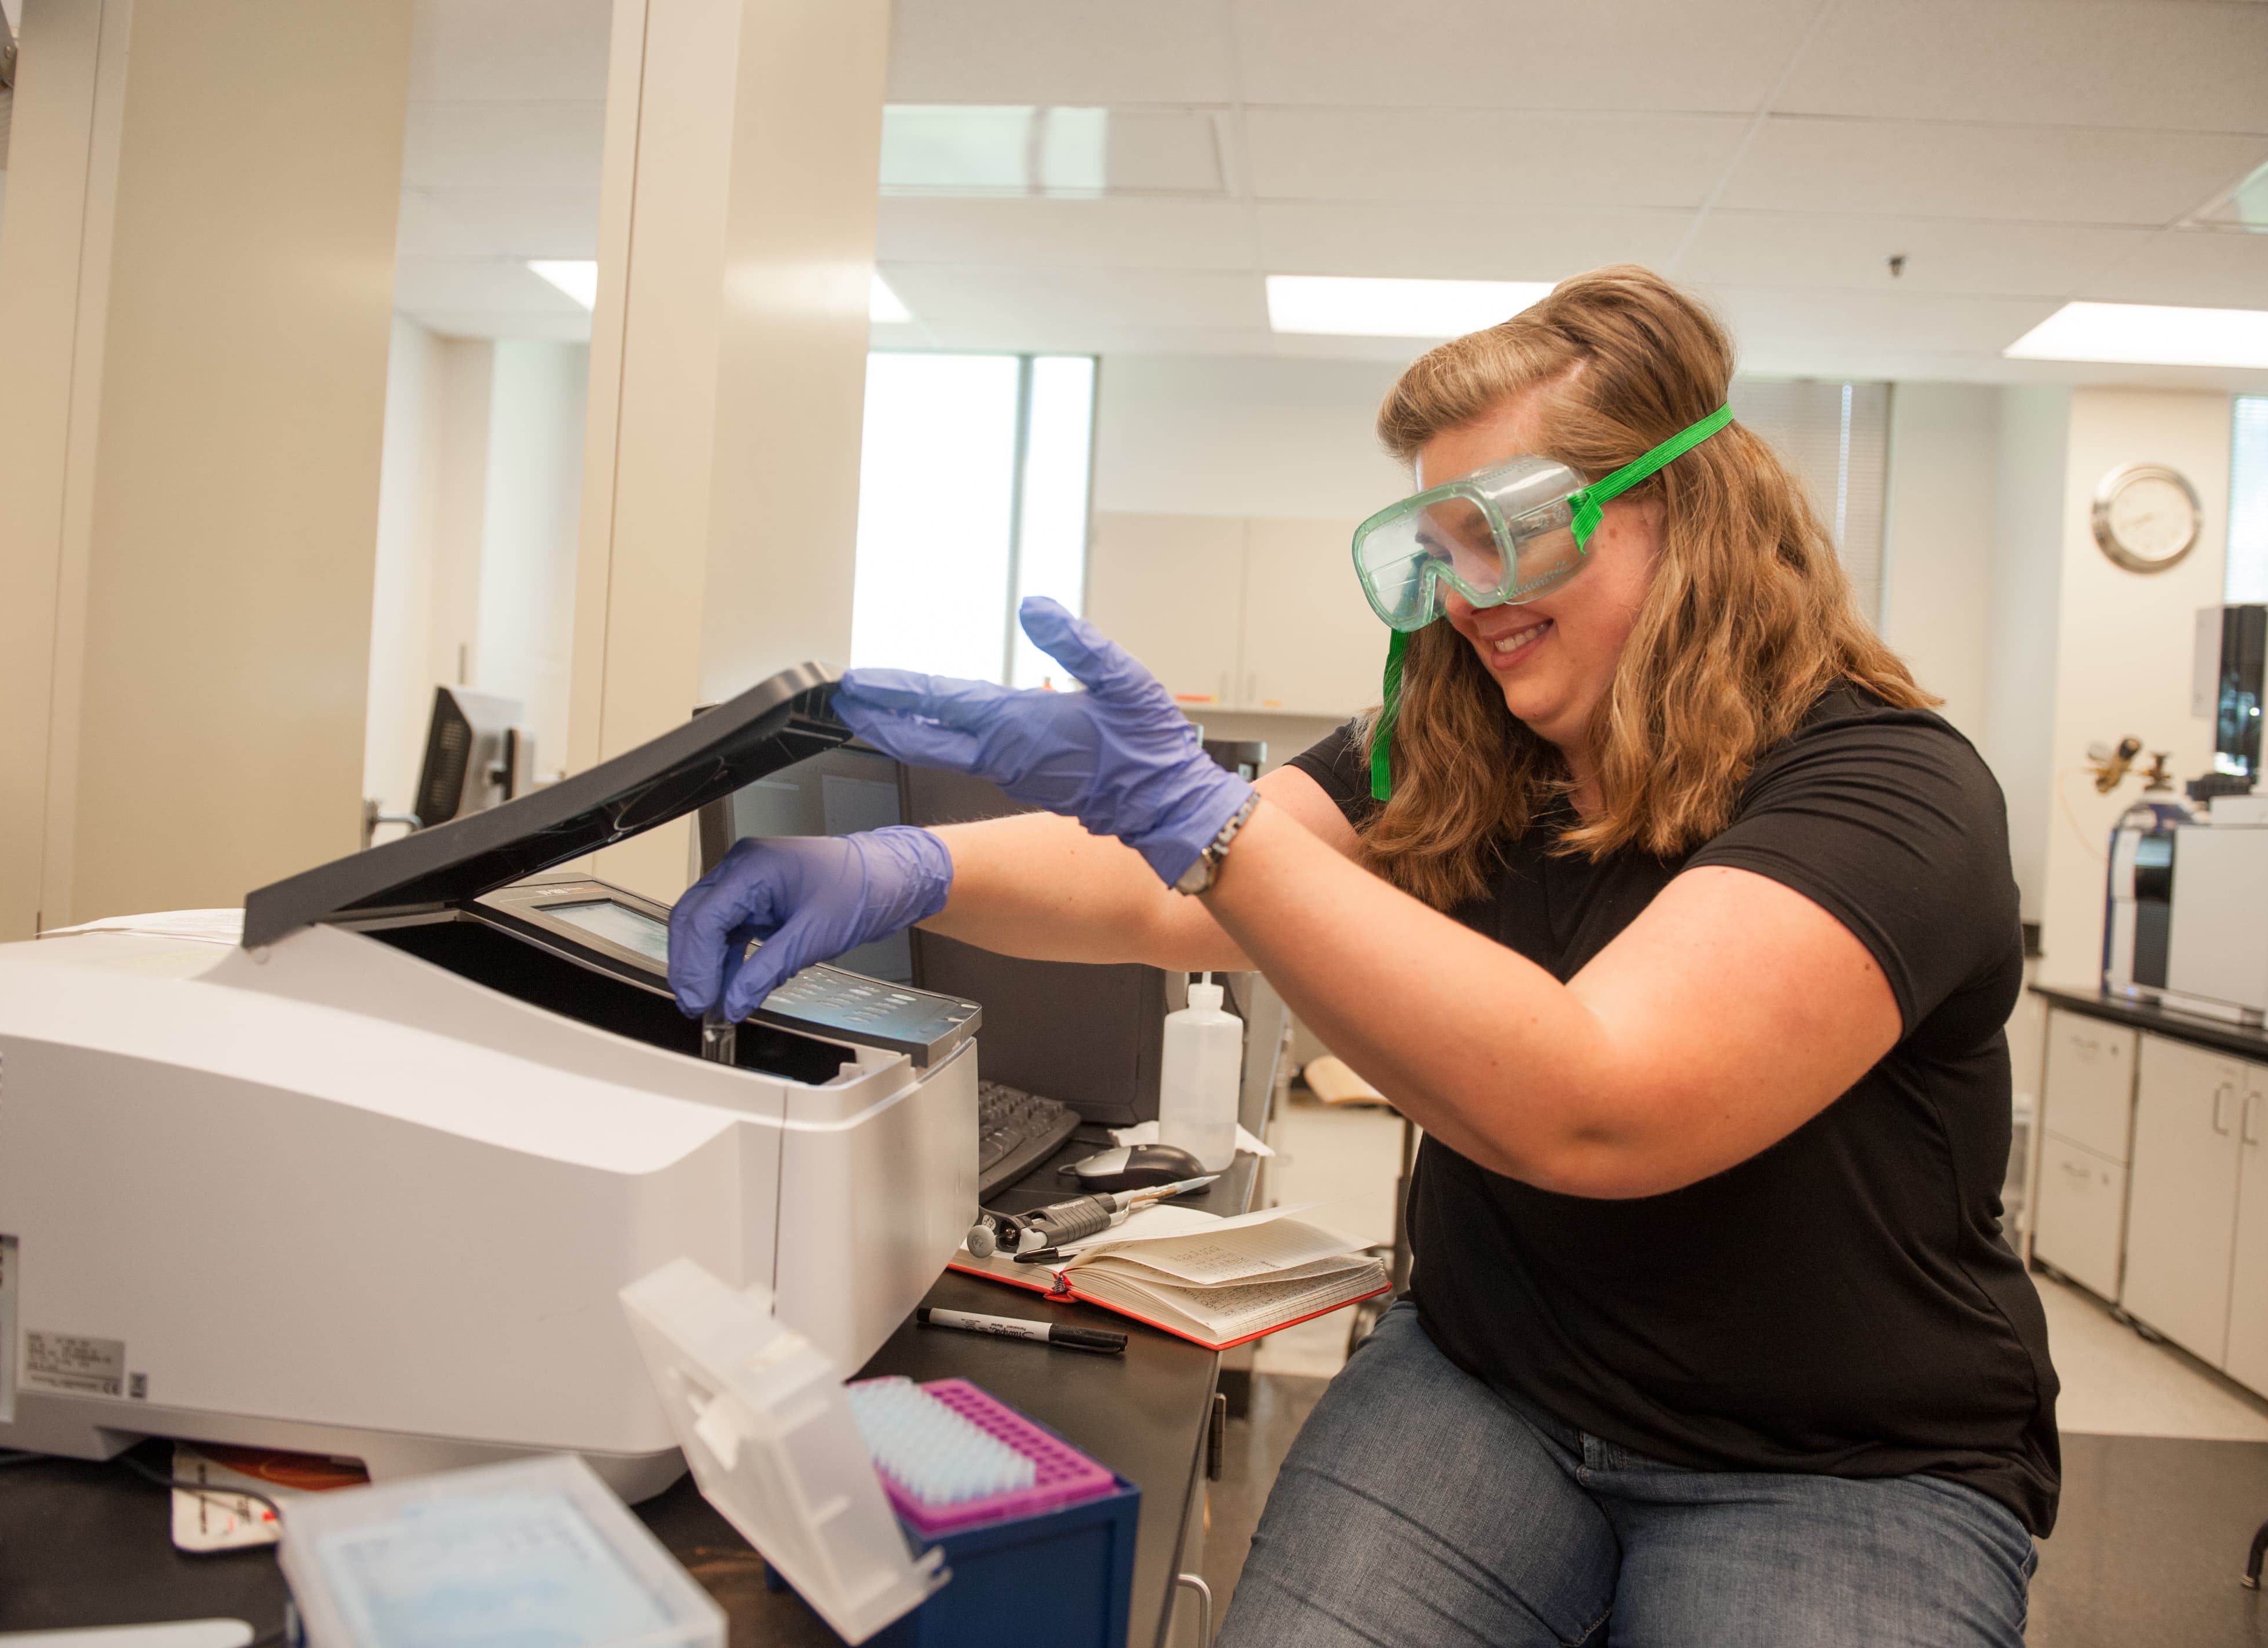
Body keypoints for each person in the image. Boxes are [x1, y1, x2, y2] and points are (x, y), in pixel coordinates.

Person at [669, 265, 2057, 1647]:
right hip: (1495, 1382)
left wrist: (1201, 825)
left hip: (1837, 1461)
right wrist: (902, 865)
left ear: (1688, 509)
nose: (1468, 596)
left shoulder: (1884, 791)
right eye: (1439, 548)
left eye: (1508, 533)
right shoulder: (1465, 744)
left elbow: (1595, 1103)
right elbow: (1179, 896)